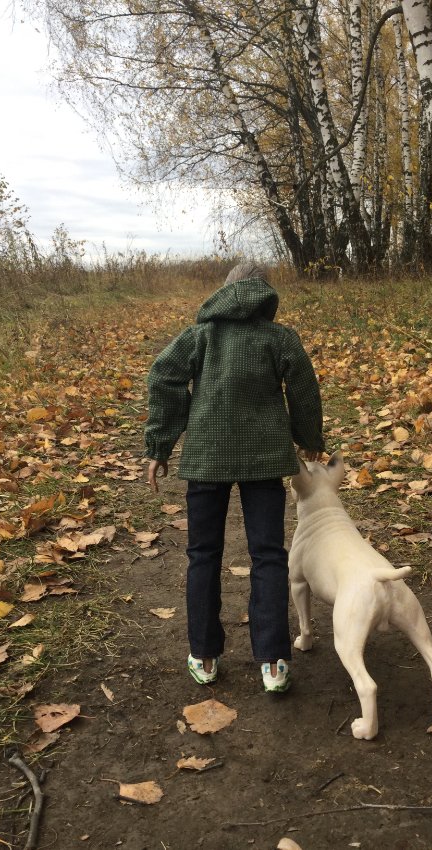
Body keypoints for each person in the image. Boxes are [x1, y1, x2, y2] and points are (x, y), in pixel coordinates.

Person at [144, 262, 324, 692]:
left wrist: (159, 445)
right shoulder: (279, 338)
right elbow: (304, 389)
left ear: (223, 292)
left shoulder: (199, 335)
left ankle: (204, 653)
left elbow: (164, 376)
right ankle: (274, 659)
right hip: (264, 463)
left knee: (202, 553)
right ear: (266, 295)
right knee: (268, 554)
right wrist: (309, 437)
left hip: (206, 460)